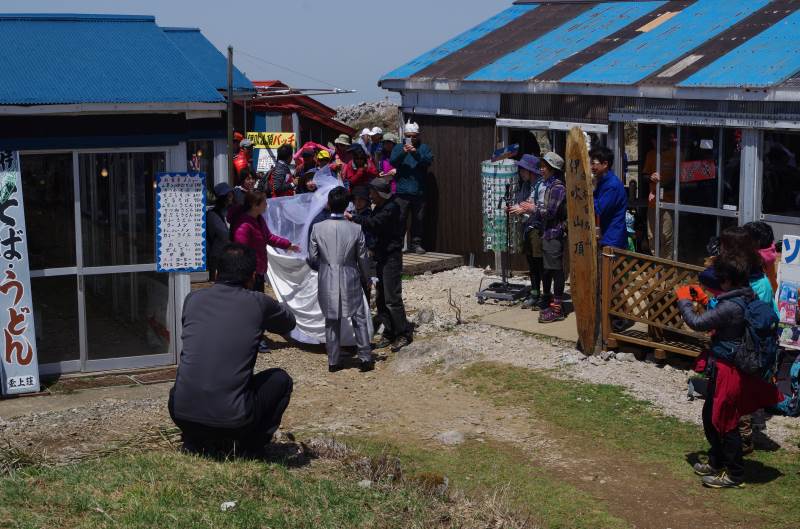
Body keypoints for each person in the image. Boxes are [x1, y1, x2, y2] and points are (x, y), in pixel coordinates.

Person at [676, 228, 783, 488]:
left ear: (727, 280)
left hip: (730, 368)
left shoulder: (732, 305)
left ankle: (734, 473)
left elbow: (697, 322)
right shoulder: (743, 294)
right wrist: (705, 299)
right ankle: (717, 460)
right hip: (725, 364)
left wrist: (684, 302)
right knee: (711, 415)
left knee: (724, 420)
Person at [168, 243, 296, 455]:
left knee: (192, 377)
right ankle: (250, 448)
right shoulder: (258, 303)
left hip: (181, 414)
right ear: (252, 277)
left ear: (216, 273)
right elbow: (288, 323)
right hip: (233, 420)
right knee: (281, 380)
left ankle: (194, 441)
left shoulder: (193, 300)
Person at [308, 187, 374, 373]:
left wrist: (323, 266)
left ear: (329, 204)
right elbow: (363, 257)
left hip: (327, 275)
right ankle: (365, 358)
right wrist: (367, 277)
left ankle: (333, 361)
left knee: (331, 319)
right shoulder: (356, 228)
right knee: (358, 317)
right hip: (350, 275)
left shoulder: (318, 227)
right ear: (347, 205)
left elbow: (313, 257)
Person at [346, 177, 412, 352]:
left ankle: (403, 333)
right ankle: (389, 331)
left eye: (372, 192)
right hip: (381, 256)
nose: (370, 196)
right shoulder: (380, 207)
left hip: (391, 257)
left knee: (392, 298)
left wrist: (353, 218)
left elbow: (374, 224)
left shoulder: (391, 208)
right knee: (381, 298)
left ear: (380, 193)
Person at [232, 191, 299, 294]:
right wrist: (248, 271)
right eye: (264, 203)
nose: (266, 205)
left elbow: (269, 237)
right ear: (255, 205)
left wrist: (288, 245)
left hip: (258, 271)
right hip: (249, 274)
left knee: (258, 298)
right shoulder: (243, 225)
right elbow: (241, 251)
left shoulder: (259, 219)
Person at [532, 152, 567, 322]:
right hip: (547, 232)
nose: (541, 169)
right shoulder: (547, 184)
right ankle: (549, 302)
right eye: (541, 166)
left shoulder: (558, 187)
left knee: (556, 270)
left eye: (545, 166)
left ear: (553, 169)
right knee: (548, 269)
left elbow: (551, 212)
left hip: (554, 232)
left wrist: (532, 209)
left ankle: (557, 309)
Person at [508, 154, 544, 310]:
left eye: (523, 169)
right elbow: (521, 202)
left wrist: (523, 208)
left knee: (539, 262)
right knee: (531, 262)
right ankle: (535, 292)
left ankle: (544, 295)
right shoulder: (525, 185)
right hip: (526, 227)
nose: (521, 172)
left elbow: (541, 208)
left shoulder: (541, 185)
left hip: (538, 228)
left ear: (531, 171)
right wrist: (514, 208)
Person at [391, 121, 434, 254]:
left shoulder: (424, 148)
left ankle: (416, 244)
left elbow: (428, 161)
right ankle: (397, 244)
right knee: (400, 219)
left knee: (418, 220)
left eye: (414, 136)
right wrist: (403, 153)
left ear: (418, 136)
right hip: (402, 191)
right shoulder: (399, 147)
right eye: (408, 136)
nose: (411, 139)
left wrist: (415, 153)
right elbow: (393, 162)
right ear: (404, 135)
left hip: (419, 190)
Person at [644, 132, 677, 257]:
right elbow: (644, 176)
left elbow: (678, 180)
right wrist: (650, 177)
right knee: (652, 235)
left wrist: (659, 189)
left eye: (658, 140)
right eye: (654, 141)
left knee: (666, 235)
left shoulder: (674, 154)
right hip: (653, 203)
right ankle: (655, 263)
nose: (655, 143)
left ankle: (666, 265)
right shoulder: (651, 155)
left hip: (669, 202)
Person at [591, 145, 628, 251]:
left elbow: (599, 209)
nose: (591, 167)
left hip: (613, 239)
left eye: (594, 163)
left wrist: (589, 192)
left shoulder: (612, 185)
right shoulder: (603, 182)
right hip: (607, 236)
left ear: (605, 164)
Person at [207, 183, 234, 281]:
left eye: (231, 193)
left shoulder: (233, 210)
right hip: (218, 255)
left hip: (231, 254)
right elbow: (223, 234)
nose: (230, 197)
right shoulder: (212, 214)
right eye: (227, 195)